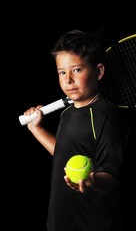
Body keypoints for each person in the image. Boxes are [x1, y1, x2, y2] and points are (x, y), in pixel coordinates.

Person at [23, 29, 129, 231]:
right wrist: (36, 129)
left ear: (98, 72)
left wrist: (92, 182)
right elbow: (64, 153)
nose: (68, 79)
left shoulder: (107, 118)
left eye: (77, 70)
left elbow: (112, 176)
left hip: (92, 224)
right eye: (62, 72)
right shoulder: (67, 113)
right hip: (59, 221)